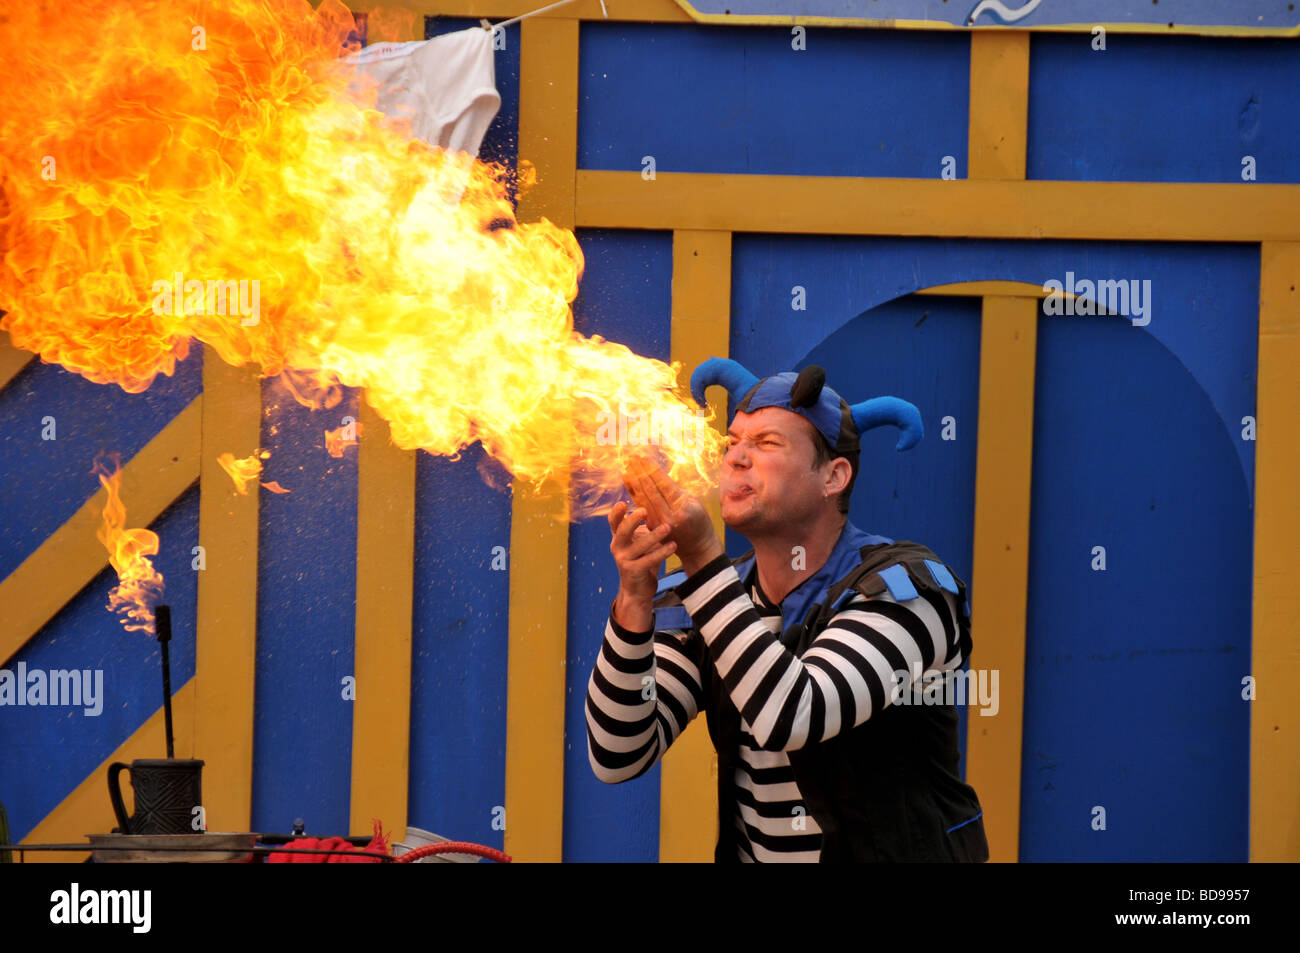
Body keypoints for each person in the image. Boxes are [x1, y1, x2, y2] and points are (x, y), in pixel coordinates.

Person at [585, 358, 989, 863]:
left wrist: (701, 558)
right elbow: (618, 753)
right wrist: (635, 599)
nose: (735, 458)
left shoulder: (907, 592)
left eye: (767, 443)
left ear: (833, 476)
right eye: (733, 442)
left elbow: (796, 714)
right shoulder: (710, 600)